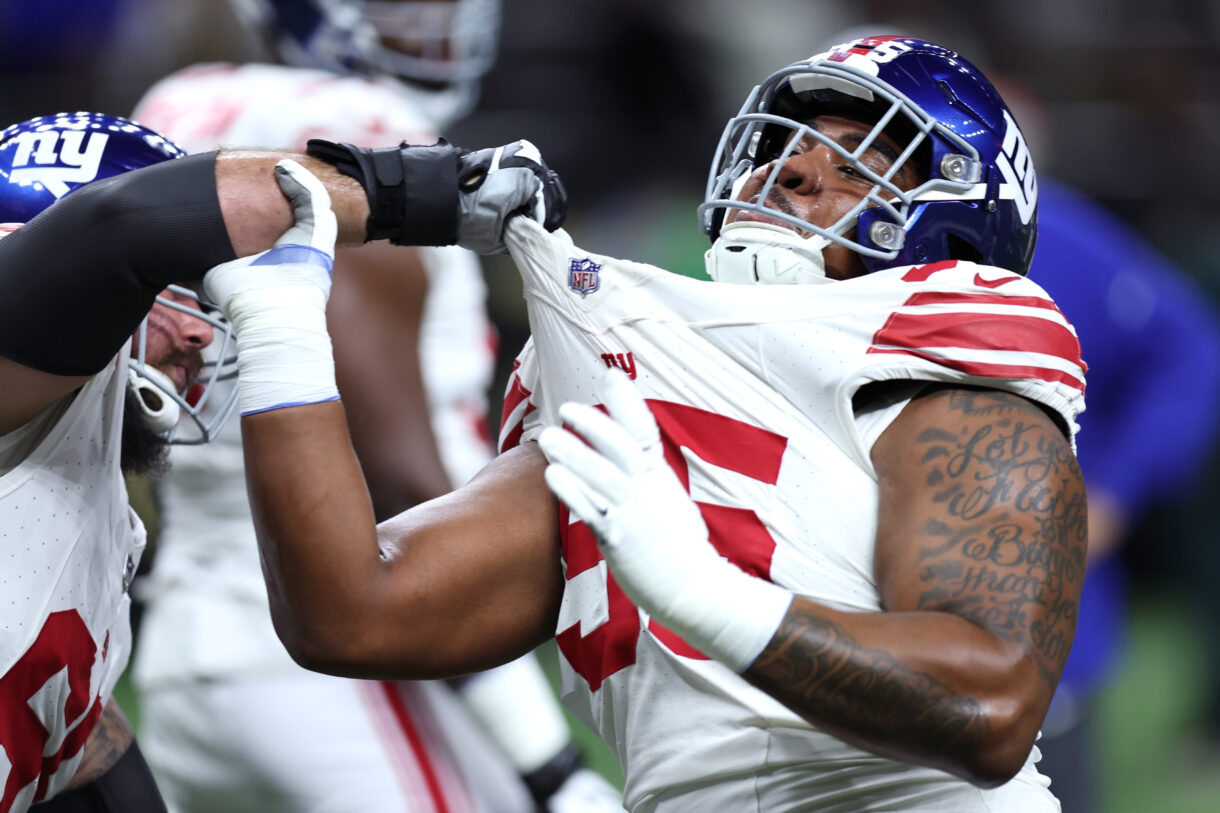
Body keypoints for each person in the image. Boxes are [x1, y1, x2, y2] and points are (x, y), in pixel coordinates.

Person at [202, 36, 1089, 811]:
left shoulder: (952, 386)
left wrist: (703, 592)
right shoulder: (639, 392)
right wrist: (283, 335)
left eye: (856, 160)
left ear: (957, 228)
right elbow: (350, 613)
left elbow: (990, 709)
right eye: (778, 146)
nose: (789, 167)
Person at [127, 1, 620, 810]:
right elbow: (386, 471)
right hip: (334, 660)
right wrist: (550, 765)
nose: (434, 17)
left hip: (189, 635)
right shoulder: (362, 131)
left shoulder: (177, 103)